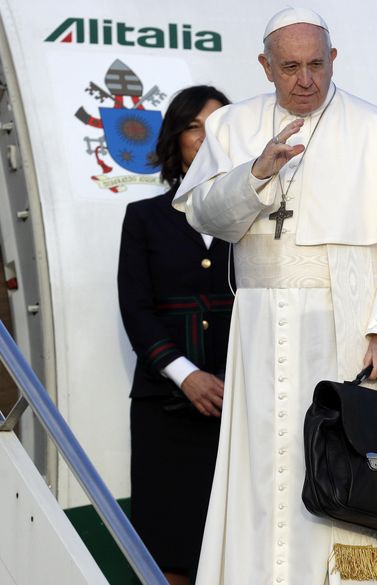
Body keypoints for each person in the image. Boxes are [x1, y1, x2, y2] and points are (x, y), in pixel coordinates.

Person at [172, 7, 377, 585]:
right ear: (265, 66)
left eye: (317, 65)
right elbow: (204, 215)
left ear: (334, 59)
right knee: (263, 472)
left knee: (343, 463)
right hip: (258, 330)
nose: (306, 81)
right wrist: (255, 173)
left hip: (344, 329)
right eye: (291, 68)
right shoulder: (232, 126)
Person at [118, 85, 233, 585]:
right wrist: (186, 375)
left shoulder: (252, 220)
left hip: (237, 406)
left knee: (233, 546)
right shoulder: (143, 219)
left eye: (218, 126)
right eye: (194, 127)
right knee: (167, 550)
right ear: (175, 139)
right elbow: (136, 309)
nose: (205, 138)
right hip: (164, 410)